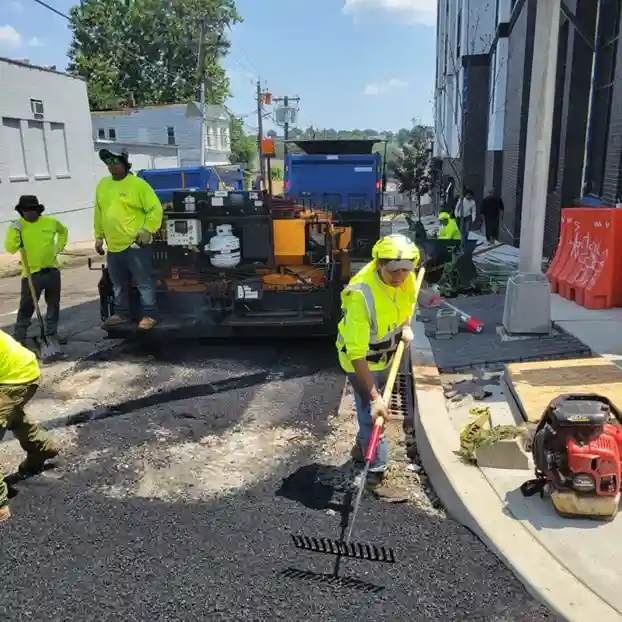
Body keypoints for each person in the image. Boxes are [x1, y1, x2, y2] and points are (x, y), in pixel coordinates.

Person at [336, 234, 421, 502]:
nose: (400, 276)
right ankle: (375, 476)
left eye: (406, 270)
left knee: (373, 406)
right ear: (379, 264)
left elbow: (407, 302)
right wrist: (374, 398)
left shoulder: (406, 278)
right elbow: (357, 353)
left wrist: (406, 326)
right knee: (373, 415)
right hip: (359, 361)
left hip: (385, 356)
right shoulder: (360, 294)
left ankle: (360, 451)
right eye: (394, 271)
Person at [94, 149, 163, 330]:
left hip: (135, 245)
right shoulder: (103, 185)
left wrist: (147, 229)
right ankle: (122, 314)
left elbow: (155, 209)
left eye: (116, 163)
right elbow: (99, 212)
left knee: (143, 282)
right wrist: (99, 237)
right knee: (118, 284)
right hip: (114, 246)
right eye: (109, 164)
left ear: (125, 164)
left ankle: (149, 314)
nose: (112, 167)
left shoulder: (138, 185)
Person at [0, 328, 60, 522]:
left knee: (5, 411)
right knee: (12, 416)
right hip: (21, 369)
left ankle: (0, 505)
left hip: (14, 377)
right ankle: (41, 447)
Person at [4, 195, 68, 347]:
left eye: (33, 210)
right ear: (21, 212)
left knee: (53, 304)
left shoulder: (50, 222)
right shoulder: (17, 226)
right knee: (26, 307)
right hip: (31, 274)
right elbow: (10, 248)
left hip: (52, 270)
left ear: (38, 210)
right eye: (26, 210)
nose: (30, 213)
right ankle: (19, 338)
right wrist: (16, 234)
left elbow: (63, 231)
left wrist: (58, 247)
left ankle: (51, 335)